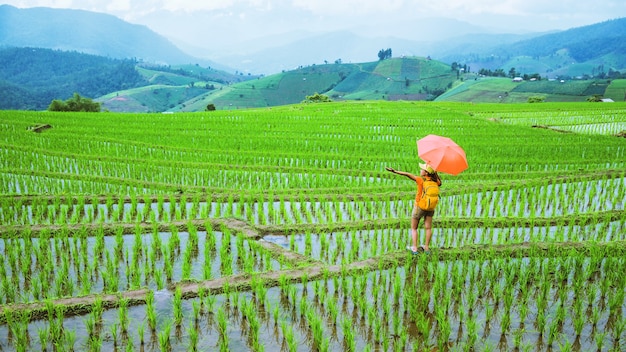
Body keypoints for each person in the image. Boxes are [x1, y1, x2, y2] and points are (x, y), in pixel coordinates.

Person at [385, 163, 442, 254]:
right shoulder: (436, 181)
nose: (420, 170)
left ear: (426, 173)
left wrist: (395, 171)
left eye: (422, 169)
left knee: (414, 228)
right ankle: (426, 248)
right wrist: (435, 172)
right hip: (431, 207)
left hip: (419, 207)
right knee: (428, 228)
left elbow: (407, 174)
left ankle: (414, 248)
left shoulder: (420, 180)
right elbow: (439, 181)